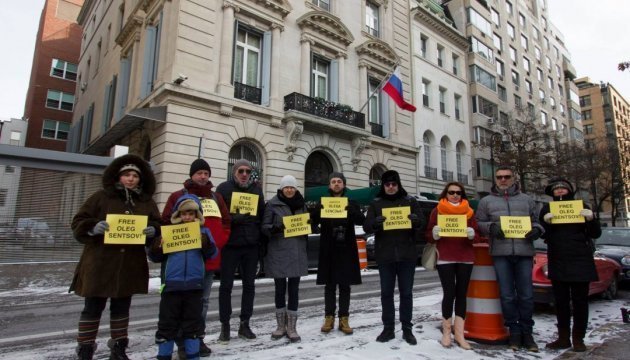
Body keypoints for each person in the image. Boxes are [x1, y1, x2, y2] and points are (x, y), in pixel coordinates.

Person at [70, 154, 162, 360]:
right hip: (100, 263)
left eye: (135, 176)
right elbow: (78, 221)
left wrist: (153, 231)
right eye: (126, 175)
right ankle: (85, 348)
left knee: (122, 308)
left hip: (129, 264)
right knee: (93, 307)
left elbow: (159, 224)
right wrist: (93, 227)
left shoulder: (145, 202)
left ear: (140, 179)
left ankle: (119, 349)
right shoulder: (101, 197)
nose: (131, 179)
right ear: (118, 177)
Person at [162, 158, 230, 357]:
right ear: (192, 175)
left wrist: (219, 240)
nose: (203, 176)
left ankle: (196, 338)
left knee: (203, 301)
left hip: (207, 259)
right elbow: (165, 221)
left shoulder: (216, 198)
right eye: (199, 173)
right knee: (180, 302)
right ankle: (181, 340)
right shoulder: (177, 196)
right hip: (182, 262)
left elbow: (226, 221)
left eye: (206, 173)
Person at [475, 166, 544, 352]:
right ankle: (514, 331)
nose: (503, 180)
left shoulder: (526, 199)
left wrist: (537, 230)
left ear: (513, 178)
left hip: (524, 252)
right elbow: (478, 222)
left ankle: (527, 333)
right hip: (501, 253)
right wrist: (490, 228)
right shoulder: (486, 201)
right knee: (506, 295)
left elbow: (536, 220)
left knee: (527, 295)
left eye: (506, 177)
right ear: (495, 180)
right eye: (499, 177)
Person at [150, 194, 217, 360]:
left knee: (192, 325)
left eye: (191, 214)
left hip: (194, 287)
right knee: (167, 324)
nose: (187, 217)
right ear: (178, 215)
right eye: (184, 214)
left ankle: (192, 355)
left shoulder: (204, 232)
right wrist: (158, 246)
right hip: (171, 286)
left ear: (197, 215)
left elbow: (213, 254)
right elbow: (154, 257)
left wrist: (206, 243)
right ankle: (164, 355)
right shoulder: (169, 233)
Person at [539, 177, 601, 352]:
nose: (559, 191)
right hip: (558, 258)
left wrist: (591, 219)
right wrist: (546, 223)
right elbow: (543, 234)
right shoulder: (546, 208)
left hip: (580, 258)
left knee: (580, 301)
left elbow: (595, 233)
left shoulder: (582, 206)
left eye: (562, 188)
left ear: (569, 190)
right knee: (561, 301)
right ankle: (563, 337)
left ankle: (578, 338)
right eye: (556, 189)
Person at [363, 170, 424, 345]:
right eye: (387, 184)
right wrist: (375, 223)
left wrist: (416, 221)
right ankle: (388, 328)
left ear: (398, 185)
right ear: (383, 186)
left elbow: (422, 222)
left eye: (394, 184)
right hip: (385, 256)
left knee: (406, 293)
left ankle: (407, 328)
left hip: (407, 255)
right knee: (386, 294)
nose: (390, 187)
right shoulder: (376, 203)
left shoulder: (410, 201)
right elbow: (367, 226)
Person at [215, 159, 266, 342]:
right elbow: (217, 214)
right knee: (225, 286)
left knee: (249, 287)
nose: (244, 174)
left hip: (251, 245)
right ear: (234, 172)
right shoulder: (223, 189)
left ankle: (245, 324)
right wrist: (233, 219)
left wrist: (261, 241)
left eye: (247, 171)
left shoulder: (256, 190)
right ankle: (225, 326)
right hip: (230, 246)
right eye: (241, 171)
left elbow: (262, 214)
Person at [426, 182, 480, 349]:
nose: (455, 195)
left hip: (465, 257)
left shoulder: (470, 212)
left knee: (462, 294)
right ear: (446, 194)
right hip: (446, 257)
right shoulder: (438, 210)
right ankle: (447, 333)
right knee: (449, 293)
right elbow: (428, 234)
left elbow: (478, 235)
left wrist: (473, 235)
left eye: (459, 192)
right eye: (452, 192)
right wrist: (434, 234)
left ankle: (459, 334)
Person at [310, 172, 365, 335]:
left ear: (344, 184)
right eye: (333, 181)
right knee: (329, 285)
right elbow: (313, 221)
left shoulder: (352, 202)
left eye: (339, 181)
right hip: (329, 248)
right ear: (329, 185)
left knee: (345, 285)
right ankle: (329, 317)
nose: (336, 184)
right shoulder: (323, 202)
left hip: (346, 249)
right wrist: (317, 212)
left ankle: (344, 318)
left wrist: (352, 211)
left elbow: (362, 220)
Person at [262, 175, 309, 342]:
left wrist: (310, 224)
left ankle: (292, 327)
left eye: (292, 187)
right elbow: (264, 227)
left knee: (294, 290)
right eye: (286, 187)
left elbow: (306, 225)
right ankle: (280, 326)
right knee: (280, 289)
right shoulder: (272, 204)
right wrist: (275, 227)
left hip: (296, 251)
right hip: (279, 252)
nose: (289, 190)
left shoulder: (302, 204)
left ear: (296, 189)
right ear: (281, 189)